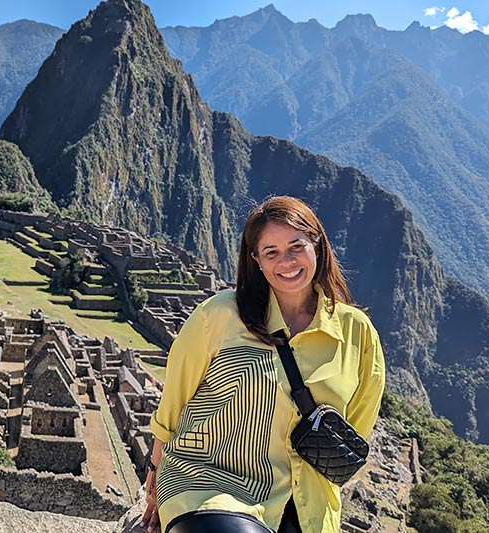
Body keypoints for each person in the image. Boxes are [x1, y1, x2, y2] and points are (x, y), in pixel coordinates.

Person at [141, 196, 385, 533]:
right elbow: (173, 403)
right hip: (213, 484)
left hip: (306, 501)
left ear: (317, 244)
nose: (286, 261)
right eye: (271, 252)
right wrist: (153, 475)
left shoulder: (356, 333)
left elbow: (355, 425)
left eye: (296, 247)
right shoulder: (221, 316)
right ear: (255, 259)